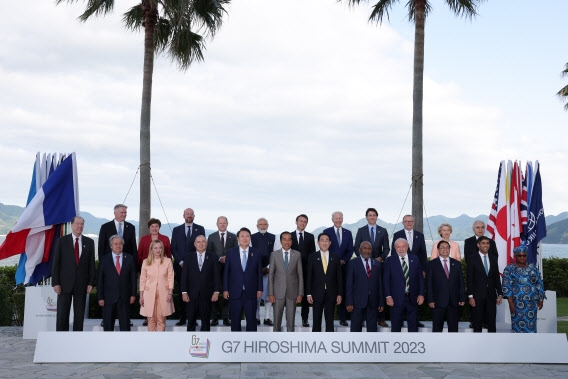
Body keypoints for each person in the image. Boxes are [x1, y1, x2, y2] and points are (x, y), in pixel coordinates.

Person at [51, 216, 95, 331]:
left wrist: (91, 282)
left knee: (79, 316)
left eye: (82, 224)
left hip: (82, 285)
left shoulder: (89, 242)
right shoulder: (62, 241)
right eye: (77, 224)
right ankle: (61, 339)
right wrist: (55, 283)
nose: (79, 226)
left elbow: (91, 265)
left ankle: (77, 340)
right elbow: (56, 263)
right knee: (62, 315)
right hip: (64, 285)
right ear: (71, 225)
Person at [354, 207, 390, 328]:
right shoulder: (361, 230)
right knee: (364, 290)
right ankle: (363, 319)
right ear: (366, 217)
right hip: (364, 264)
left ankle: (381, 318)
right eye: (370, 215)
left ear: (377, 217)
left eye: (374, 215)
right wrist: (364, 259)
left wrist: (381, 258)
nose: (372, 217)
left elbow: (386, 248)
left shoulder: (383, 230)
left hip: (377, 264)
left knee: (379, 288)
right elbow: (356, 247)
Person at [170, 208, 205, 326]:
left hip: (195, 266)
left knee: (194, 292)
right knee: (181, 291)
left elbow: (202, 247)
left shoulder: (200, 229)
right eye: (187, 214)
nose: (189, 216)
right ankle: (182, 317)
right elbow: (173, 248)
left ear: (194, 216)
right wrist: (180, 261)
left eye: (191, 214)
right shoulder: (176, 229)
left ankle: (193, 318)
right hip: (180, 266)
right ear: (183, 215)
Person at [223, 227, 263, 332]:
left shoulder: (256, 253)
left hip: (251, 292)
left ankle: (251, 344)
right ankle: (236, 345)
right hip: (235, 293)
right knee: (235, 321)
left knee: (252, 321)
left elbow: (259, 272)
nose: (245, 238)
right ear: (238, 238)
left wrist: (260, 289)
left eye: (247, 236)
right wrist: (225, 289)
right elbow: (226, 272)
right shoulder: (231, 252)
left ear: (250, 238)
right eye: (242, 236)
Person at [383, 238, 425, 332]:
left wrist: (421, 294)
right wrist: (388, 296)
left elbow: (420, 279)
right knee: (396, 326)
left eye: (403, 246)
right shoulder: (389, 260)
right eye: (398, 247)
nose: (401, 249)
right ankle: (395, 345)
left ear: (407, 247)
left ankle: (413, 344)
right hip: (396, 299)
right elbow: (386, 280)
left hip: (413, 298)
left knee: (413, 326)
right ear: (394, 248)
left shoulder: (415, 259)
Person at [502, 245, 545, 333]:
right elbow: (506, 286)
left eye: (524, 255)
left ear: (527, 255)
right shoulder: (509, 269)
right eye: (519, 255)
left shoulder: (533, 268)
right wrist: (510, 303)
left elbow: (539, 283)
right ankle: (518, 345)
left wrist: (541, 298)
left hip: (531, 303)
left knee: (531, 326)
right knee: (518, 327)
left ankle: (531, 345)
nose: (522, 257)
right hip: (517, 303)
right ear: (515, 256)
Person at [97, 235, 137, 331]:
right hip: (108, 298)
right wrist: (100, 297)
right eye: (115, 244)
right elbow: (100, 280)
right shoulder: (104, 259)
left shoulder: (130, 259)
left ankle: (125, 345)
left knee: (125, 327)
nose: (118, 246)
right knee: (108, 326)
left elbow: (133, 279)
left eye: (120, 243)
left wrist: (133, 295)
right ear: (111, 246)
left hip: (125, 298)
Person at [181, 235, 221, 331]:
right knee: (190, 321)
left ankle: (205, 344)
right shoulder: (188, 258)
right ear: (195, 244)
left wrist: (216, 291)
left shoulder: (213, 257)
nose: (201, 244)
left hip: (207, 295)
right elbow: (184, 277)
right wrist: (184, 292)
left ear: (206, 244)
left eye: (203, 241)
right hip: (191, 295)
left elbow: (216, 276)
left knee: (206, 321)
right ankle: (190, 344)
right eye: (198, 242)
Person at [306, 233, 343, 332]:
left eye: (327, 240)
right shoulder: (312, 256)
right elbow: (309, 276)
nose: (324, 242)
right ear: (318, 242)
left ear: (330, 243)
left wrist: (339, 294)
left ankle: (329, 342)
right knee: (316, 319)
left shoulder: (335, 257)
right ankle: (316, 342)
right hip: (316, 293)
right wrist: (308, 293)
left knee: (330, 320)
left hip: (331, 293)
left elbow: (339, 278)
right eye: (322, 240)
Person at [426, 240, 465, 332]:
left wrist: (462, 298)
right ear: (438, 249)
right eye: (442, 247)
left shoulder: (456, 264)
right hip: (438, 302)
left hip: (454, 302)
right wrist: (430, 300)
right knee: (437, 328)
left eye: (447, 247)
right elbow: (429, 284)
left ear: (450, 249)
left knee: (453, 328)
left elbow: (461, 282)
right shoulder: (431, 264)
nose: (445, 249)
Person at [345, 241, 384, 332]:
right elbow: (349, 284)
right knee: (355, 329)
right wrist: (349, 302)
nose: (367, 251)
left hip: (373, 303)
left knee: (372, 330)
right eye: (364, 248)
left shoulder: (377, 264)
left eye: (369, 248)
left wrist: (381, 302)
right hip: (357, 303)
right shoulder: (353, 263)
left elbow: (380, 285)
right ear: (359, 250)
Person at [268, 232, 304, 332]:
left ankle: (290, 342)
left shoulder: (297, 255)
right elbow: (271, 275)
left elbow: (300, 275)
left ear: (292, 241)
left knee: (291, 321)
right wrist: (270, 293)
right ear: (281, 241)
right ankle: (276, 342)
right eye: (284, 239)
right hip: (277, 292)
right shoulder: (274, 255)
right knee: (277, 321)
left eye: (289, 239)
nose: (287, 242)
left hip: (292, 292)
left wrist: (300, 293)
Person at [324, 211, 354, 327]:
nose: (338, 220)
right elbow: (325, 247)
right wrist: (333, 260)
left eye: (340, 218)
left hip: (344, 267)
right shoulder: (327, 232)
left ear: (342, 219)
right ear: (332, 219)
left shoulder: (348, 233)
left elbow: (350, 250)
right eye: (336, 218)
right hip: (330, 266)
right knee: (330, 292)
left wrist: (344, 260)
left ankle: (342, 318)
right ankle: (329, 318)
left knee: (343, 291)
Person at [467, 236, 503, 333]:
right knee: (477, 323)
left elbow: (496, 277)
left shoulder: (493, 258)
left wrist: (500, 294)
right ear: (478, 245)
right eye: (483, 243)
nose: (486, 245)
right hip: (477, 296)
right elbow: (469, 279)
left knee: (491, 322)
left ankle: (492, 345)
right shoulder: (472, 259)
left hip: (491, 295)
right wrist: (470, 296)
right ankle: (477, 345)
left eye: (487, 243)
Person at [206, 216, 237, 326]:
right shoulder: (211, 236)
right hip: (215, 269)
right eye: (220, 223)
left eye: (224, 223)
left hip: (229, 270)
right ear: (217, 224)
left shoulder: (233, 237)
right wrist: (219, 258)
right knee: (214, 293)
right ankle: (214, 318)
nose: (222, 225)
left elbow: (235, 252)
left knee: (226, 293)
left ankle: (225, 317)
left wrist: (227, 258)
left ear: (227, 224)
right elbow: (209, 253)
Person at [139, 239, 175, 331]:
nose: (158, 250)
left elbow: (171, 278)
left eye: (160, 248)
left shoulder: (167, 261)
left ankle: (160, 342)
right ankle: (152, 343)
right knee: (150, 320)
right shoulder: (146, 262)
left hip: (164, 293)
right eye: (155, 248)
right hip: (149, 293)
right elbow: (142, 279)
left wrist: (170, 293)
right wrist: (141, 295)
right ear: (151, 249)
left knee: (161, 320)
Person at [250, 217, 278, 326]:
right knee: (256, 295)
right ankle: (256, 317)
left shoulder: (274, 237)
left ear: (267, 225)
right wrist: (258, 268)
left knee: (268, 295)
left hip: (269, 270)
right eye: (260, 224)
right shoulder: (252, 237)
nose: (263, 226)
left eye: (264, 224)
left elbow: (275, 254)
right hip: (255, 271)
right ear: (257, 226)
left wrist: (269, 268)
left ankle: (267, 318)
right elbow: (250, 254)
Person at [291, 214, 316, 328]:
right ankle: (290, 319)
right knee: (292, 295)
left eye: (305, 221)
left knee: (306, 295)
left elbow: (312, 255)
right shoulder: (289, 236)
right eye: (300, 221)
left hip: (306, 270)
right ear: (296, 222)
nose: (302, 223)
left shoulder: (311, 237)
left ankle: (304, 319)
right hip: (291, 270)